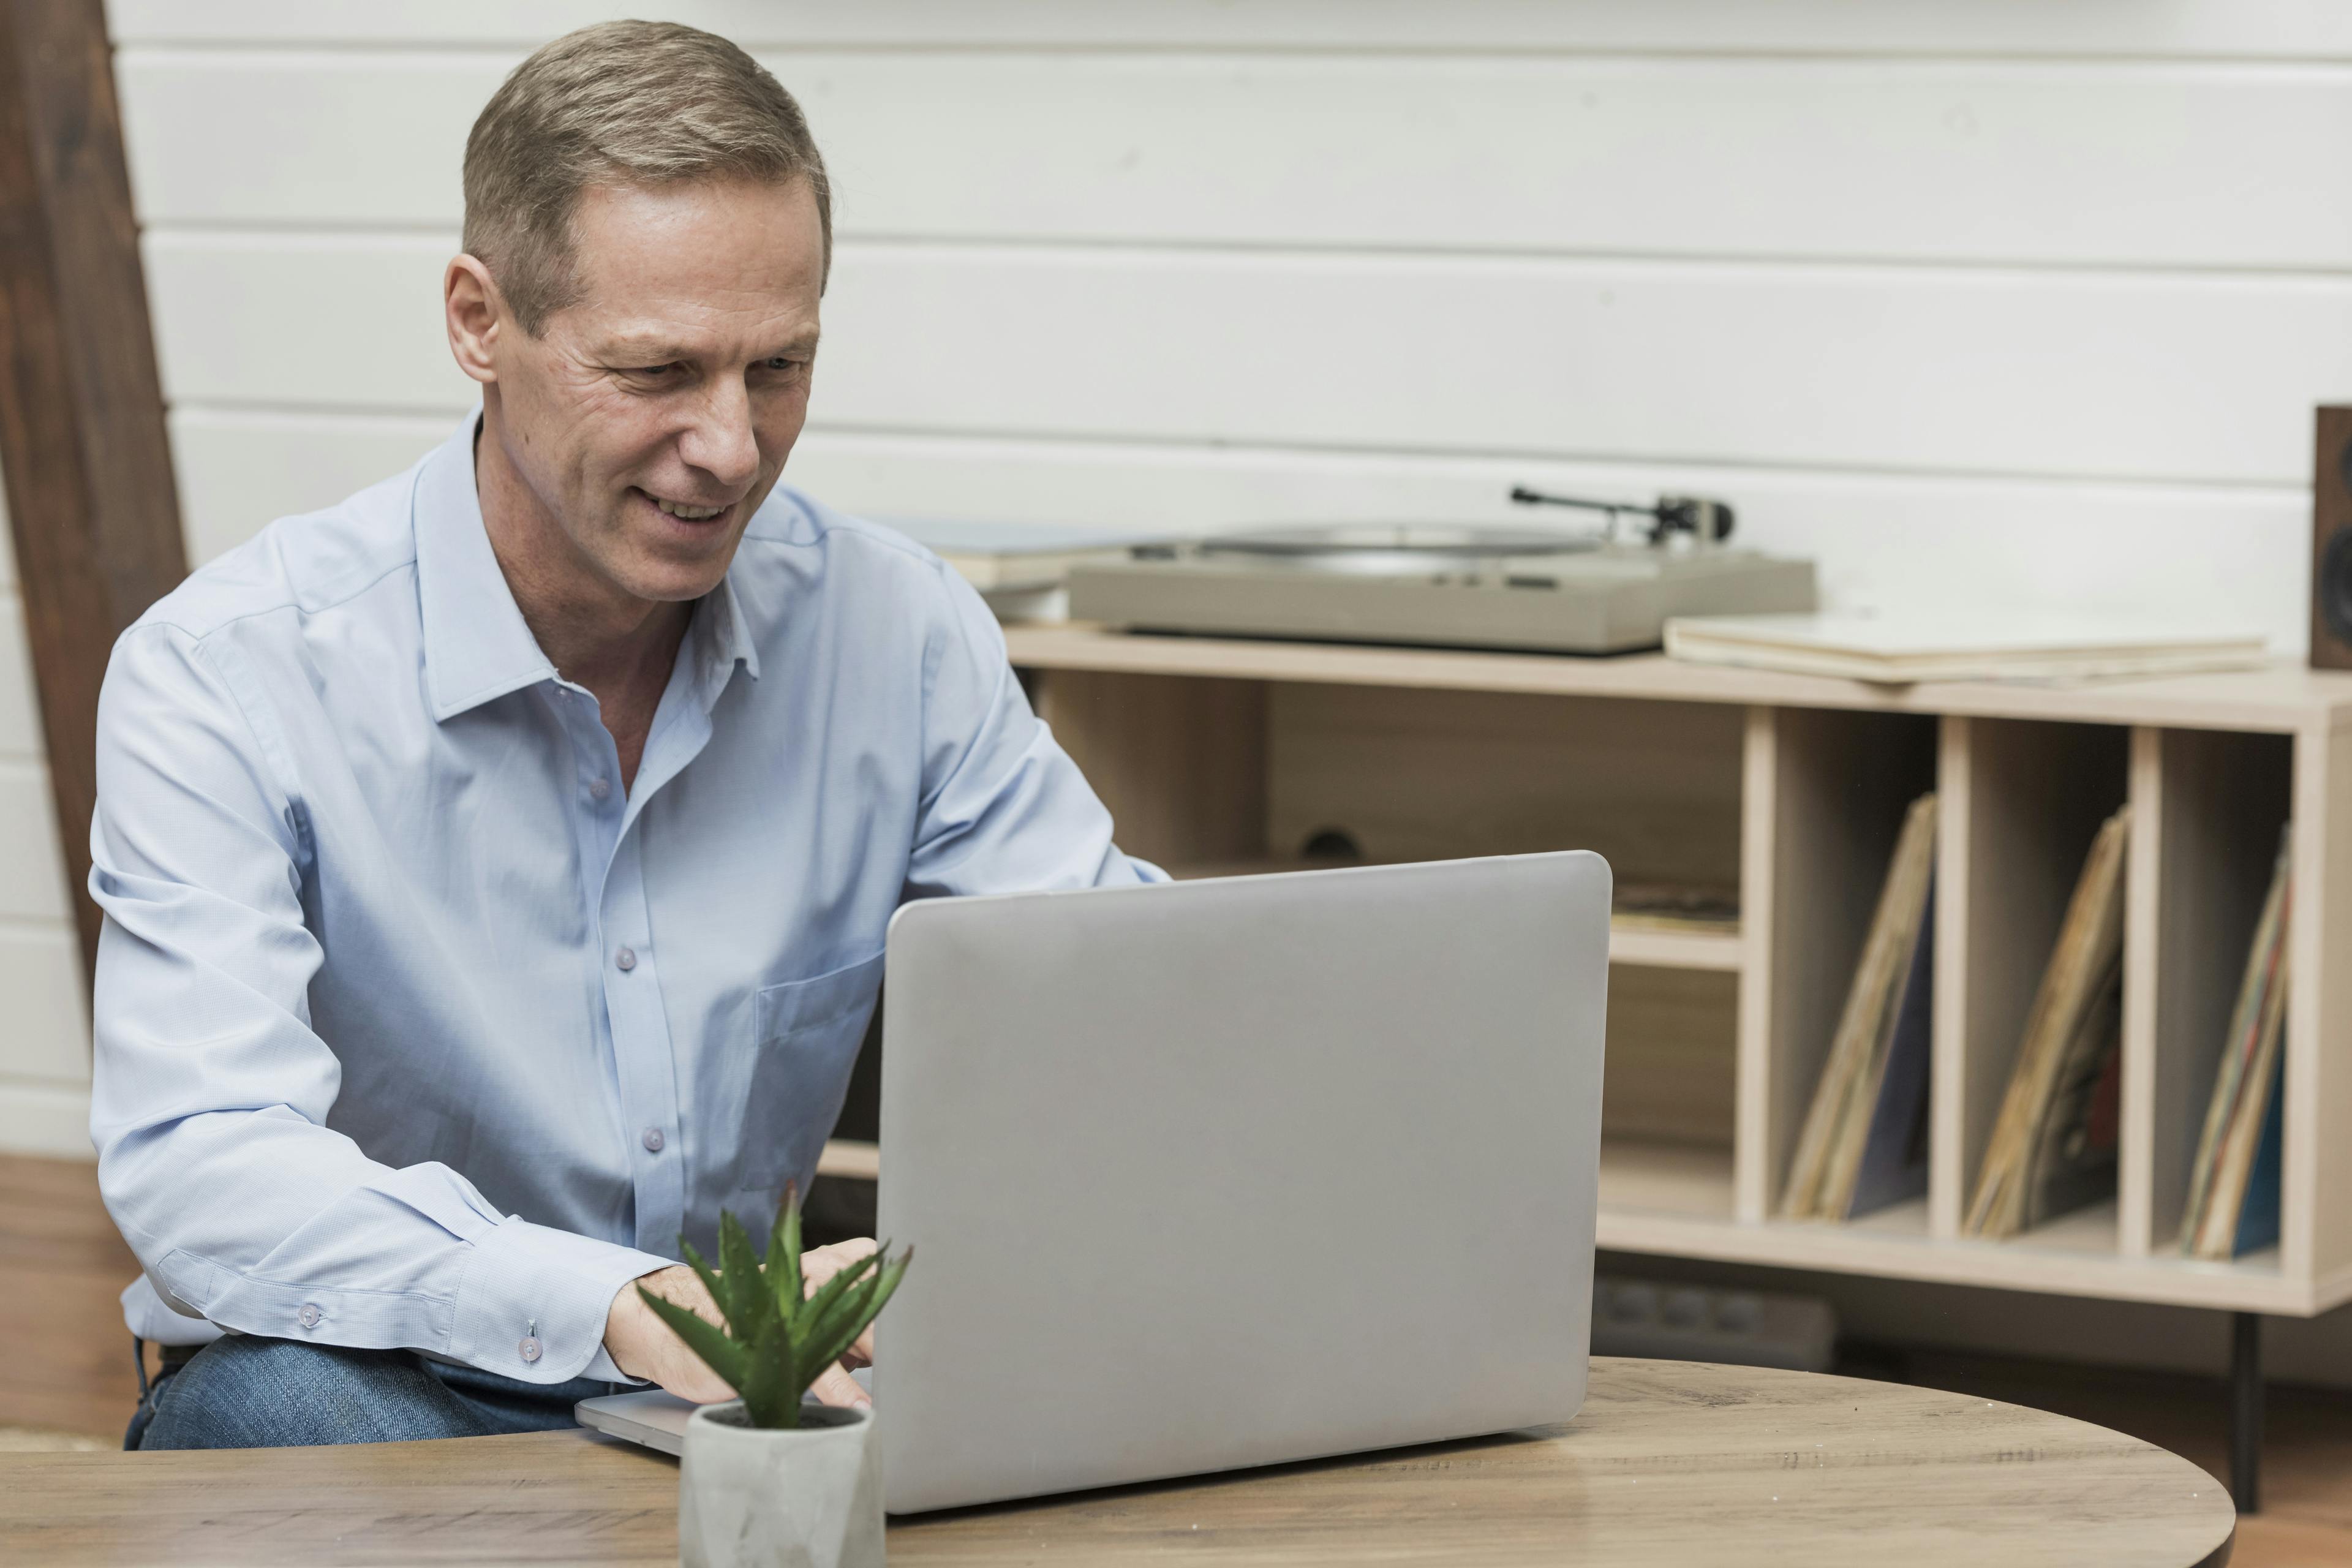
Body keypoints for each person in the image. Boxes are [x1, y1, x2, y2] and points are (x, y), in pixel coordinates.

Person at [90, 20, 1159, 1450]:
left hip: (747, 1375)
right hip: (386, 1361)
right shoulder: (226, 675)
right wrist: (619, 1302)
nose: (731, 447)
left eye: (777, 367)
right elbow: (206, 1163)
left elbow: (1115, 998)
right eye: (658, 372)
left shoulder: (896, 631)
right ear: (479, 321)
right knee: (276, 1412)